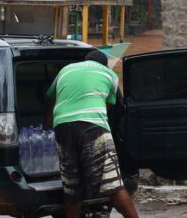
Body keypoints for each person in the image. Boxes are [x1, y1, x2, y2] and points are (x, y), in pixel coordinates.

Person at [46, 50, 139, 218]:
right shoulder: (109, 74)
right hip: (92, 127)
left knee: (72, 188)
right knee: (114, 186)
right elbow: (107, 108)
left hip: (62, 128)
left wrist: (50, 126)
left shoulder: (65, 70)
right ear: (104, 64)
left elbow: (51, 99)